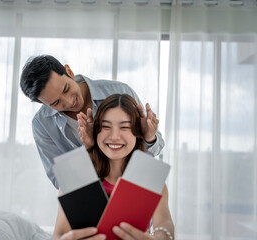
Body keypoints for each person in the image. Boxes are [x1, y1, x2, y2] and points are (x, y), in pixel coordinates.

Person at [20, 55, 164, 189]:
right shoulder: (42, 124)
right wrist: (88, 149)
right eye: (55, 102)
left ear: (69, 71)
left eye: (66, 89)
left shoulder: (119, 92)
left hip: (133, 187)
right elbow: (60, 181)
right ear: (43, 103)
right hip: (87, 200)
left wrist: (149, 137)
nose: (69, 102)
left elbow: (154, 150)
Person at [52, 94, 174, 240]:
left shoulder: (149, 180)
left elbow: (165, 225)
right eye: (105, 126)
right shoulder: (75, 179)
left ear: (137, 132)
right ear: (96, 131)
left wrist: (159, 237)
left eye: (125, 127)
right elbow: (58, 234)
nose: (115, 136)